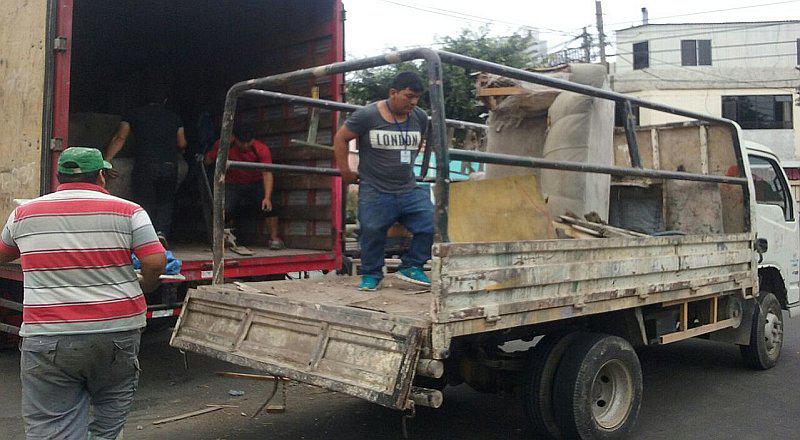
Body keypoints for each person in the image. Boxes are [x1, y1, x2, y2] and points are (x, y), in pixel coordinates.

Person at [0, 147, 167, 440]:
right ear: (101, 176)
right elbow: (154, 261)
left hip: (48, 334)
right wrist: (145, 284)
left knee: (51, 425)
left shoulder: (24, 213)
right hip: (115, 331)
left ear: (59, 177)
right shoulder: (129, 211)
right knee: (107, 422)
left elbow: (3, 254)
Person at [333, 71, 434, 291]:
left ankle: (412, 265)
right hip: (375, 188)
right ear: (393, 93)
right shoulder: (368, 115)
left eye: (417, 97)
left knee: (430, 223)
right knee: (372, 231)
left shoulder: (419, 117)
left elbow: (417, 145)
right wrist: (345, 172)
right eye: (408, 96)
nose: (413, 102)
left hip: (408, 187)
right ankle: (371, 274)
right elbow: (341, 138)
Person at [105, 84, 188, 243]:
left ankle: (146, 238)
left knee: (144, 201)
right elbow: (182, 143)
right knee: (166, 201)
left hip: (145, 165)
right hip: (169, 166)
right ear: (165, 100)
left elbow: (120, 138)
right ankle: (161, 232)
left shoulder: (133, 114)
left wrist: (107, 160)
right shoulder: (174, 117)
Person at [205, 124, 284, 250]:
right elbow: (208, 160)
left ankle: (274, 238)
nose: (246, 145)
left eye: (249, 142)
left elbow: (267, 173)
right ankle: (220, 239)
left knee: (270, 205)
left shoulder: (261, 149)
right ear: (234, 138)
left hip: (255, 183)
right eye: (242, 142)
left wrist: (267, 197)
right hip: (232, 183)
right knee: (224, 208)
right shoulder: (225, 144)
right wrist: (214, 154)